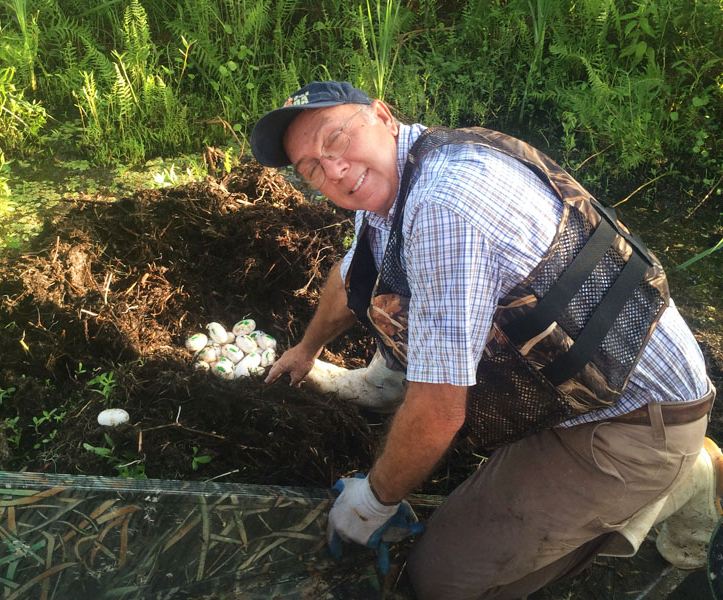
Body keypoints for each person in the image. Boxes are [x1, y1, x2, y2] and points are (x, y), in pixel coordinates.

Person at [249, 81, 721, 600]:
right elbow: (351, 276)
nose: (333, 169)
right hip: (573, 383)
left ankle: (679, 476)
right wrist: (306, 350)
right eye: (312, 168)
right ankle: (667, 472)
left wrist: (372, 503)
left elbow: (437, 412)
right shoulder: (400, 167)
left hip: (628, 421)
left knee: (444, 579)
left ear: (381, 115)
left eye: (335, 138)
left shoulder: (443, 206)